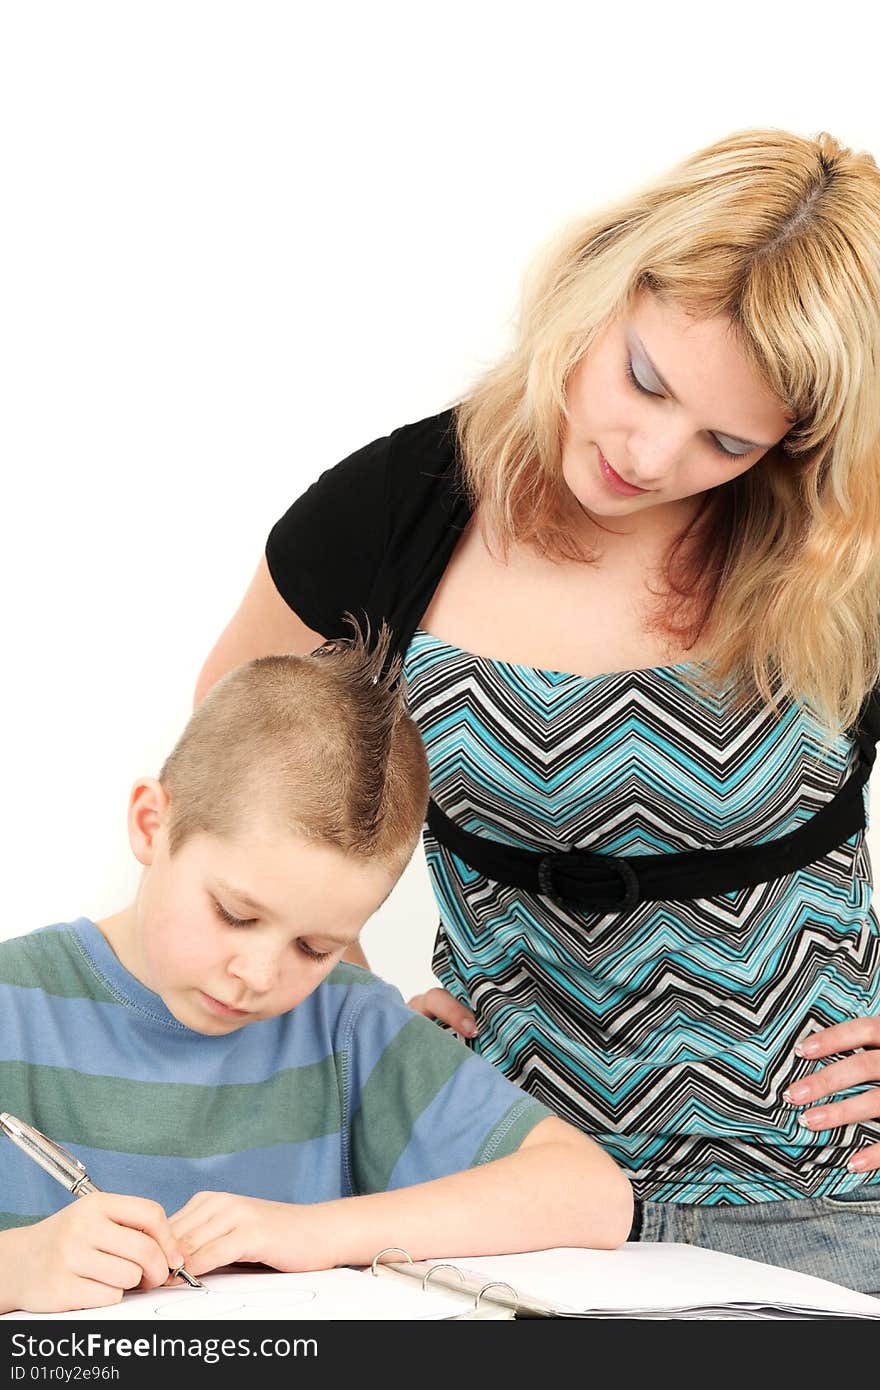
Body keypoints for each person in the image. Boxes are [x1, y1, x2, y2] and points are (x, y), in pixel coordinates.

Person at [194, 128, 880, 1292]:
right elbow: (232, 776)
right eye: (643, 379)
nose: (649, 453)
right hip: (487, 1177)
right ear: (600, 279)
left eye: (726, 439)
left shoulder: (836, 557)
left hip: (814, 1192)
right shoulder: (396, 508)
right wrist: (350, 1002)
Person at [0, 633, 631, 1316]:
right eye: (235, 914)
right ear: (153, 825)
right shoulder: (13, 1005)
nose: (257, 974)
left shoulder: (346, 1024)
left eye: (315, 947)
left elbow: (593, 1196)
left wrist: (313, 1232)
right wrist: (15, 1267)